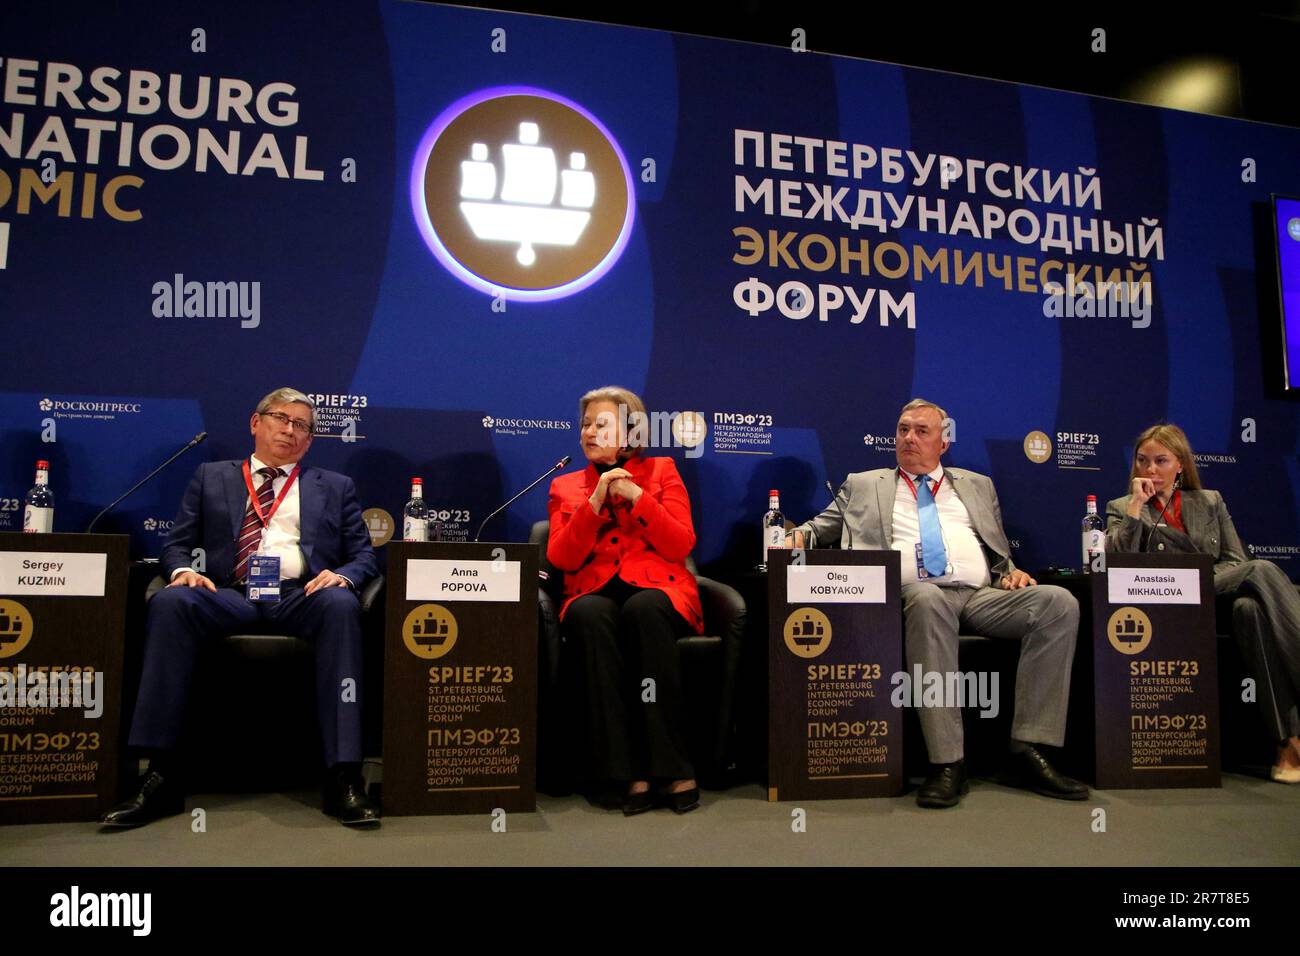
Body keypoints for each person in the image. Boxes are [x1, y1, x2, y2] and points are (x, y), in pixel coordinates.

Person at [101, 387, 381, 828]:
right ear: (256, 423)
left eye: (302, 426)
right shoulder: (212, 476)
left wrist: (343, 575)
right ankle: (160, 775)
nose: (290, 431)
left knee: (341, 606)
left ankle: (343, 776)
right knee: (172, 604)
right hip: (228, 591)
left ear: (309, 440)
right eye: (281, 419)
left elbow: (364, 556)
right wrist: (181, 573)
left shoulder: (336, 486)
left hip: (300, 595)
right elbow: (175, 546)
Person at [788, 398, 1087, 808]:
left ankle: (1029, 749)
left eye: (921, 431)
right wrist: (788, 539)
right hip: (914, 595)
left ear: (944, 443)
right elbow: (819, 529)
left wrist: (1009, 574)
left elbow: (996, 553)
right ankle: (948, 763)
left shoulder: (977, 485)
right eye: (903, 429)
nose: (909, 438)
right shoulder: (864, 483)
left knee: (1058, 603)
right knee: (928, 599)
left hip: (982, 596)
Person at [1106, 423, 1300, 783]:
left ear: (1180, 464)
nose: (1150, 470)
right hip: (1161, 602)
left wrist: (1202, 580)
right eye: (1142, 460)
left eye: (1161, 461)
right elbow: (1119, 564)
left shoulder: (1209, 501)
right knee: (1262, 570)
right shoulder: (1122, 507)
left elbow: (1234, 561)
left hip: (1213, 596)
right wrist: (1136, 506)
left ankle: (1288, 744)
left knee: (1250, 609)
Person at [546, 386, 704, 814]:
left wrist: (637, 497)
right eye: (585, 424)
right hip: (593, 589)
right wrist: (594, 502)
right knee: (589, 615)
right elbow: (561, 557)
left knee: (644, 609)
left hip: (659, 589)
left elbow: (679, 543)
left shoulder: (662, 470)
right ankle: (621, 771)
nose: (589, 432)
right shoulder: (566, 485)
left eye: (601, 424)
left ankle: (671, 767)